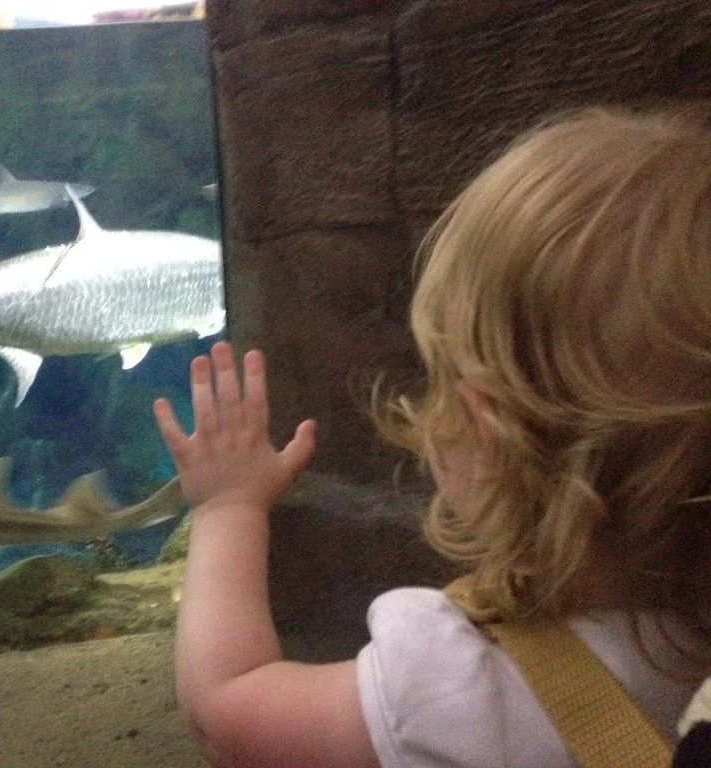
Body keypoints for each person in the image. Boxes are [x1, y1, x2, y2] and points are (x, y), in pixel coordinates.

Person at [152, 106, 711, 767]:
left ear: (487, 430)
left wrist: (228, 506)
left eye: (439, 375)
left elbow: (227, 713)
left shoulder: (458, 698)